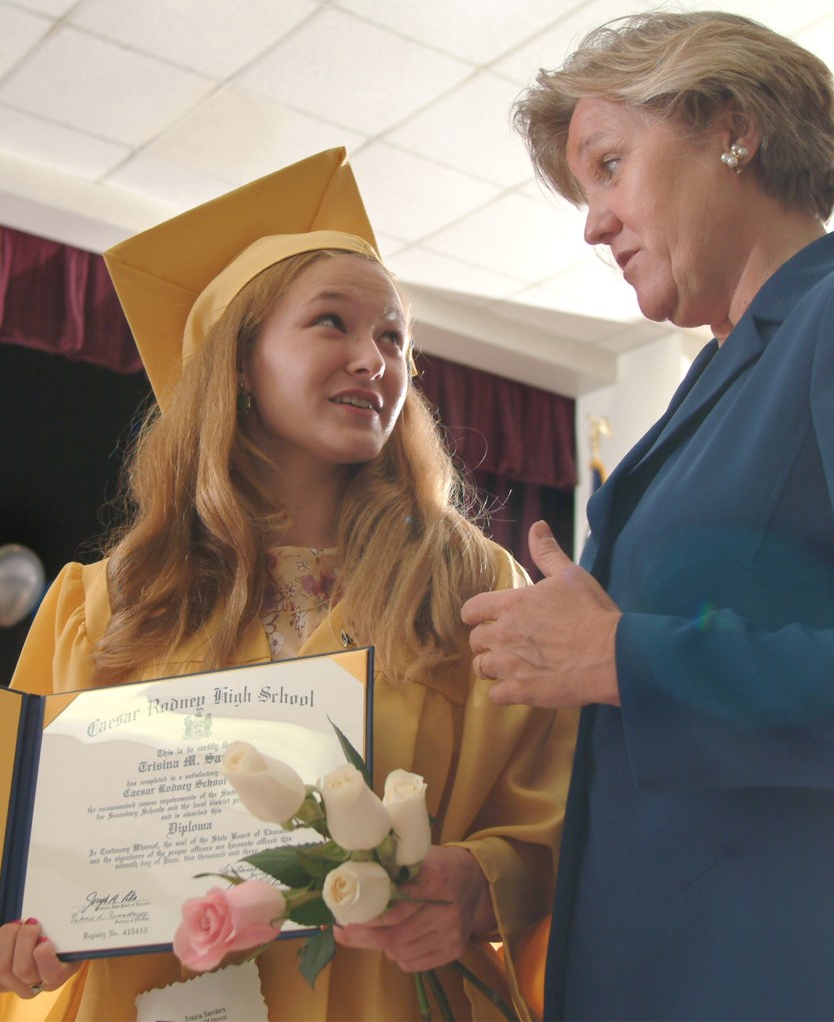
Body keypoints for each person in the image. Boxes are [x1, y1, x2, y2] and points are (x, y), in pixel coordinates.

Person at [0, 148, 575, 1022]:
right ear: (238, 361)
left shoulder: (464, 583)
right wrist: (18, 936)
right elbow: (24, 845)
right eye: (331, 324)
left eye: (393, 338)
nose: (374, 359)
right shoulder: (106, 602)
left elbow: (555, 817)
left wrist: (481, 883)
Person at [462, 11, 834, 1021]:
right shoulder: (711, 386)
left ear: (731, 130)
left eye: (609, 165)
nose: (592, 221)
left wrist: (621, 660)